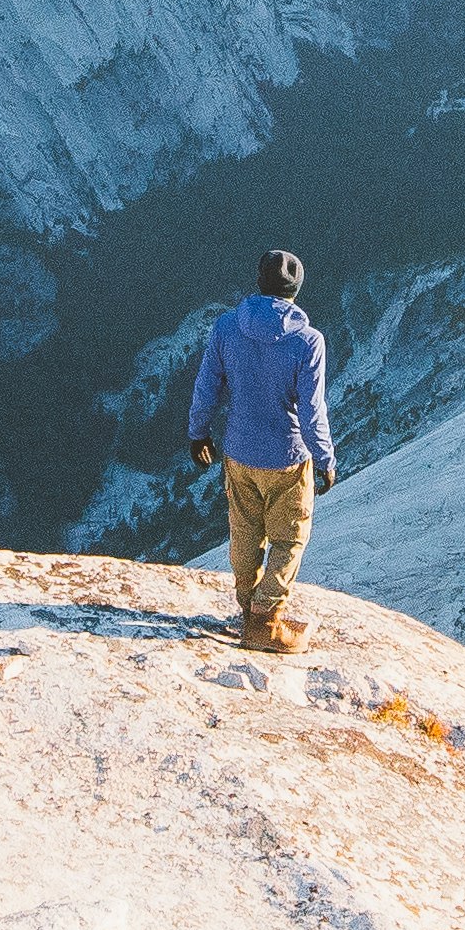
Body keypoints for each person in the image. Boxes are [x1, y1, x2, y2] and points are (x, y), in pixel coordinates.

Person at [185, 247, 337, 651]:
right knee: (288, 539)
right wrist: (324, 458)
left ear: (259, 282)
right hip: (288, 458)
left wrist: (198, 433)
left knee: (244, 533)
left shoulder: (226, 328)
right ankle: (265, 621)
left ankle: (245, 607)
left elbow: (207, 386)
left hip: (238, 452)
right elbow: (311, 409)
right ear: (296, 290)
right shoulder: (309, 342)